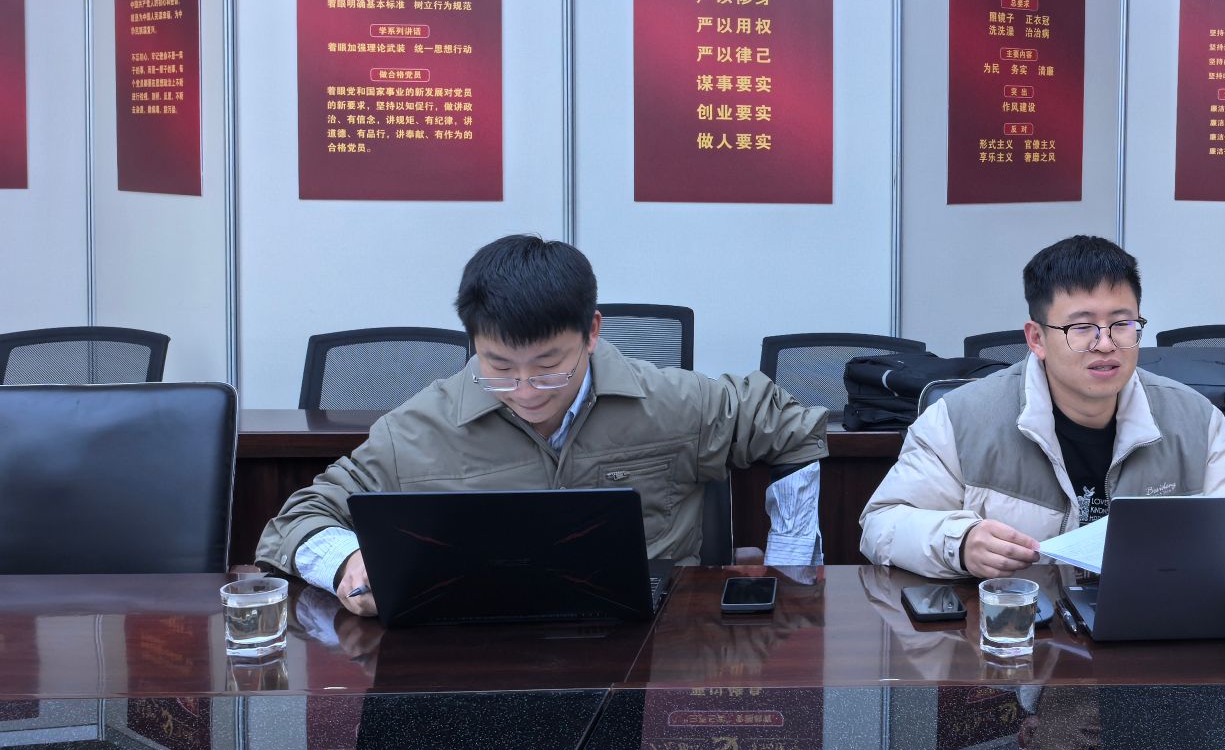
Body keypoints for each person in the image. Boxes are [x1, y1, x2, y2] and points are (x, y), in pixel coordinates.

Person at [256, 235, 826, 614]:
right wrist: (345, 563)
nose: (527, 391)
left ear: (592, 332)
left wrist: (791, 564)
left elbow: (791, 426)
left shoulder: (673, 404)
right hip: (476, 656)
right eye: (500, 368)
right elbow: (295, 522)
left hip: (649, 653)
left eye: (550, 366)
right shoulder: (416, 431)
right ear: (473, 343)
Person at [859, 235, 1225, 578]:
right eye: (1082, 327)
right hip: (1021, 631)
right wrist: (960, 543)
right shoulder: (960, 419)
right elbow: (880, 525)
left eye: (1122, 324)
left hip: (1151, 625)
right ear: (1036, 339)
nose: (1105, 343)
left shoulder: (1194, 419)